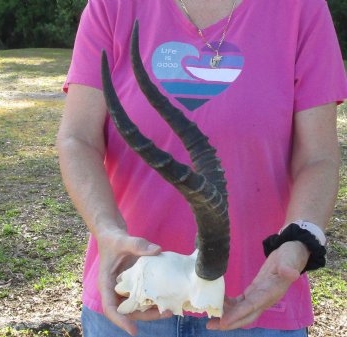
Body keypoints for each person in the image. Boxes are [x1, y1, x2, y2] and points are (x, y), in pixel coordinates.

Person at [57, 0, 347, 336]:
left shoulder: (301, 8)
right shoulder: (113, 5)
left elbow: (318, 157)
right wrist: (107, 231)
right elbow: (78, 139)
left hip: (255, 305)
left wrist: (297, 243)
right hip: (133, 292)